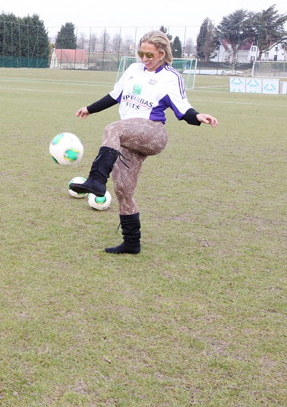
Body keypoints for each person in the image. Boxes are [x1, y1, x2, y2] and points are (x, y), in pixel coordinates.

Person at [70, 30, 218, 255]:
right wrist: (89, 108)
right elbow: (114, 95)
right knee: (122, 190)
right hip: (128, 136)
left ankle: (97, 180)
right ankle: (131, 243)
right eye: (142, 54)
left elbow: (183, 107)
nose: (145, 59)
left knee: (113, 128)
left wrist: (198, 116)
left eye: (150, 55)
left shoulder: (170, 76)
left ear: (162, 53)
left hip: (153, 133)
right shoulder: (132, 70)